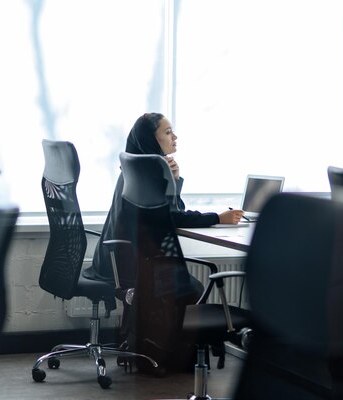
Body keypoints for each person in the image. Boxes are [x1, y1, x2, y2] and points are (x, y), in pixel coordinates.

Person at [85, 112, 244, 284]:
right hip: (133, 266)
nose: (175, 137)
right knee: (193, 290)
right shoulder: (149, 173)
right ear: (151, 139)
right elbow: (174, 217)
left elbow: (171, 211)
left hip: (114, 262)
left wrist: (174, 180)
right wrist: (218, 218)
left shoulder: (133, 168)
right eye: (168, 132)